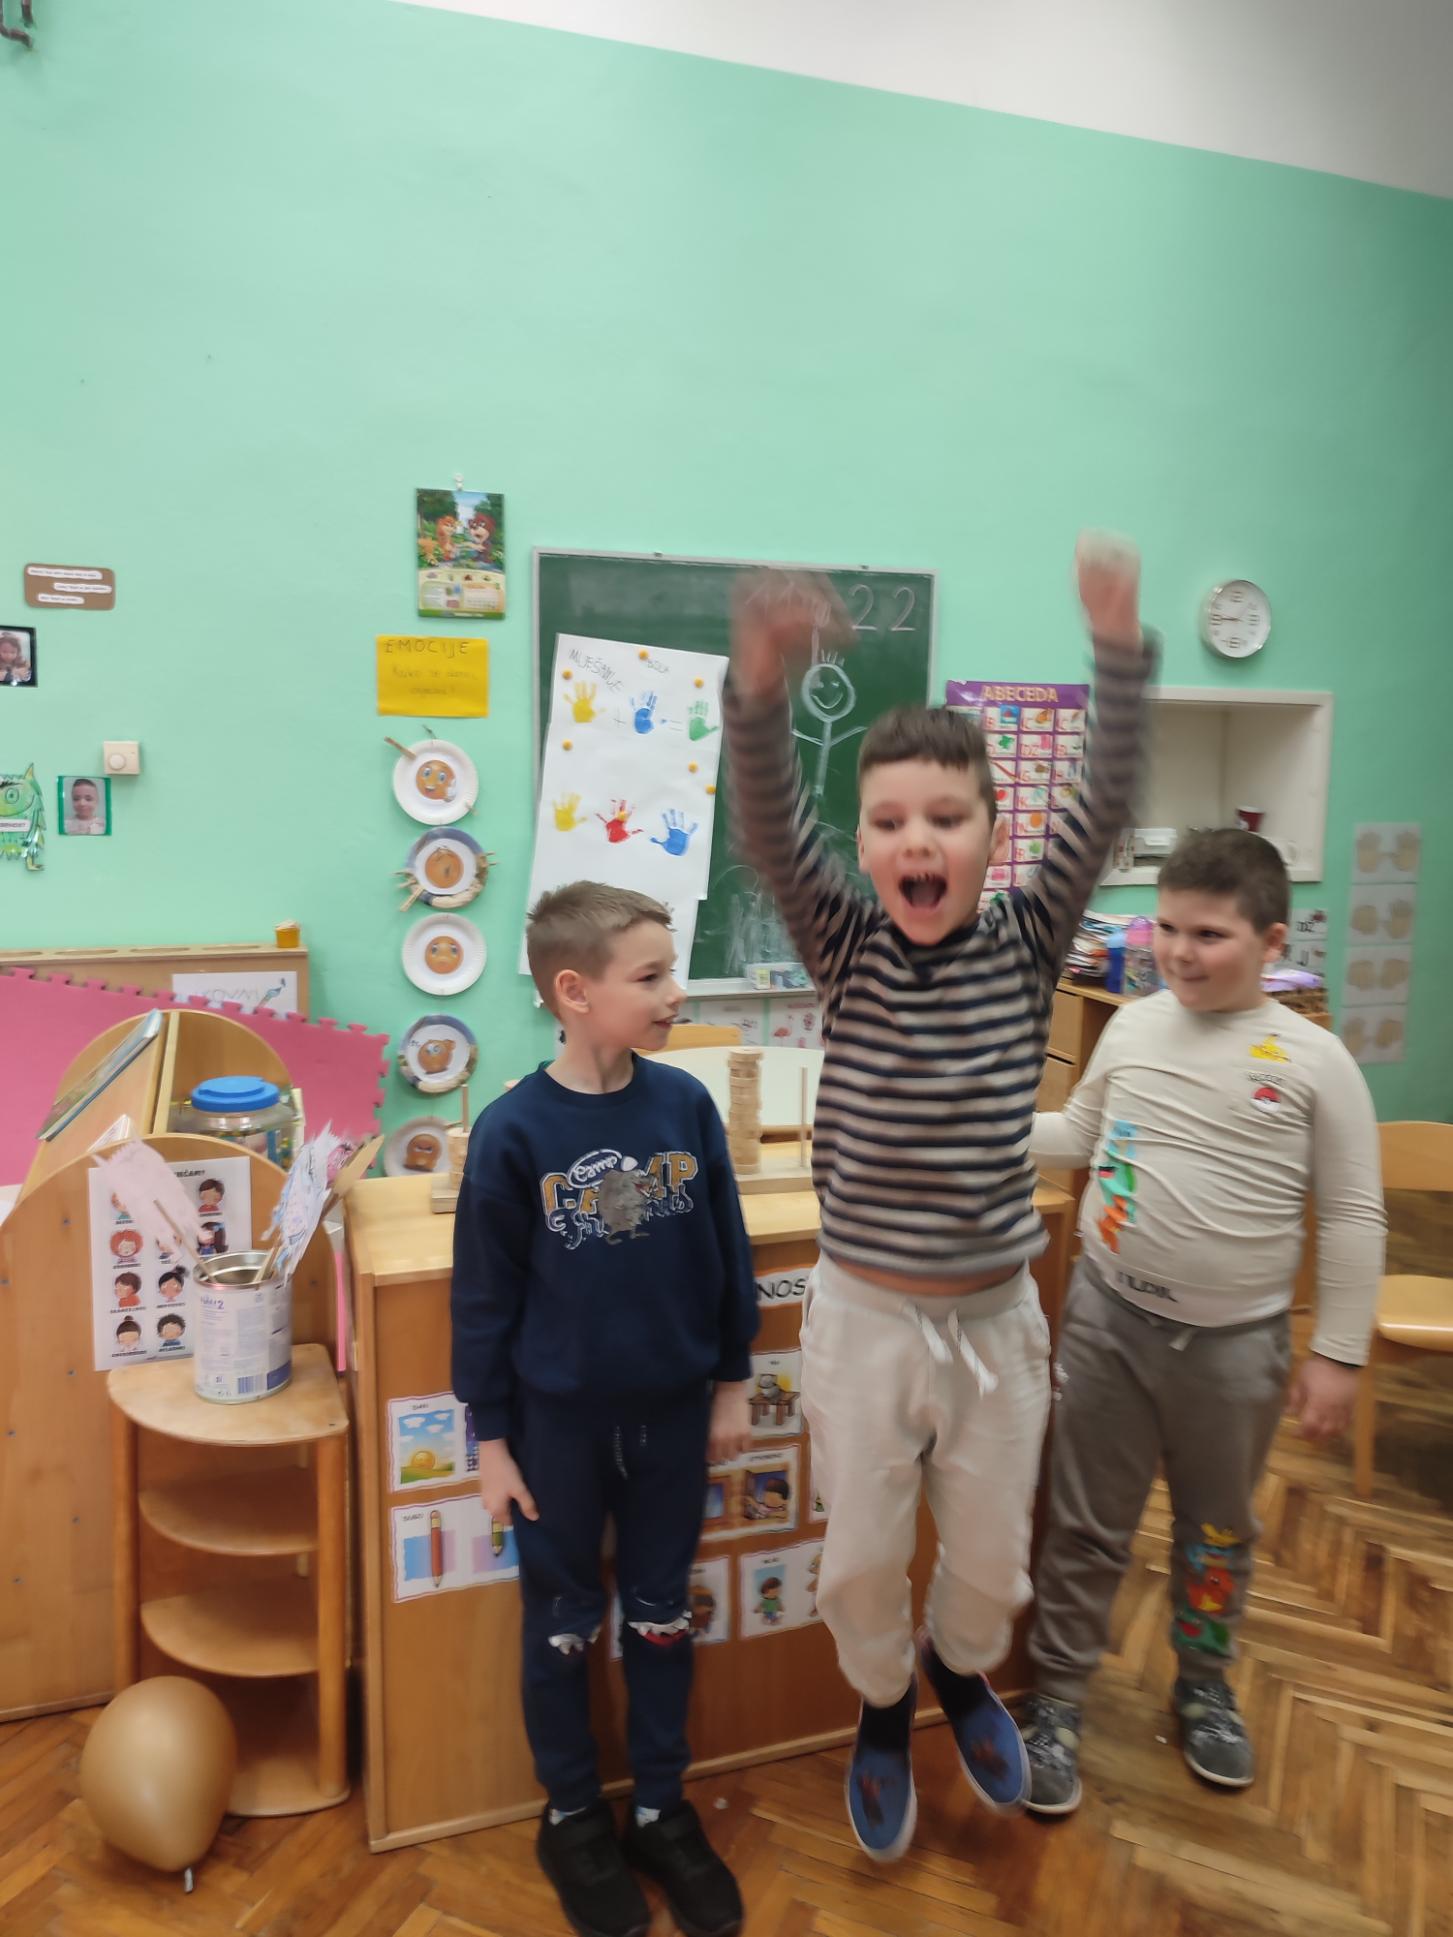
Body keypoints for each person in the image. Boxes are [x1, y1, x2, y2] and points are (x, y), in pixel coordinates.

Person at [722, 537, 1153, 1859]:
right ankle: (878, 1702)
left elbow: (1105, 799)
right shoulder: (845, 941)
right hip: (862, 1319)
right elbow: (767, 818)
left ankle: (959, 1671)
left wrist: (1117, 645)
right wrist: (758, 675)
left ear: (990, 838)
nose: (918, 839)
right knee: (859, 1556)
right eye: (891, 821)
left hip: (992, 1323)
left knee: (991, 1562)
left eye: (948, 819)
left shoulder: (1023, 942)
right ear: (863, 845)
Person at [1018, 829, 1385, 1813]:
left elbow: (1353, 1213)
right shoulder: (1134, 1026)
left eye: (1208, 934)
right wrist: (982, 1126)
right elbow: (1079, 1134)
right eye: (1167, 928)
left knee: (1216, 1529)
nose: (1179, 951)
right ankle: (1056, 1696)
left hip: (1235, 1350)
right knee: (1083, 1521)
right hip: (1106, 1319)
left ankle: (1204, 1682)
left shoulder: (1314, 1059)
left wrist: (1337, 1352)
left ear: (1271, 941)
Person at [451, 882, 759, 1937]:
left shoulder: (683, 1106)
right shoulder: (512, 1131)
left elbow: (726, 1249)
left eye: (673, 971)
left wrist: (731, 1378)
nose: (676, 993)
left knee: (663, 1612)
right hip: (556, 1433)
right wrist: (490, 1439)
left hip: (672, 1418)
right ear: (574, 991)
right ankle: (573, 1812)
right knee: (563, 1621)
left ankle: (662, 1807)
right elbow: (483, 1300)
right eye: (653, 976)